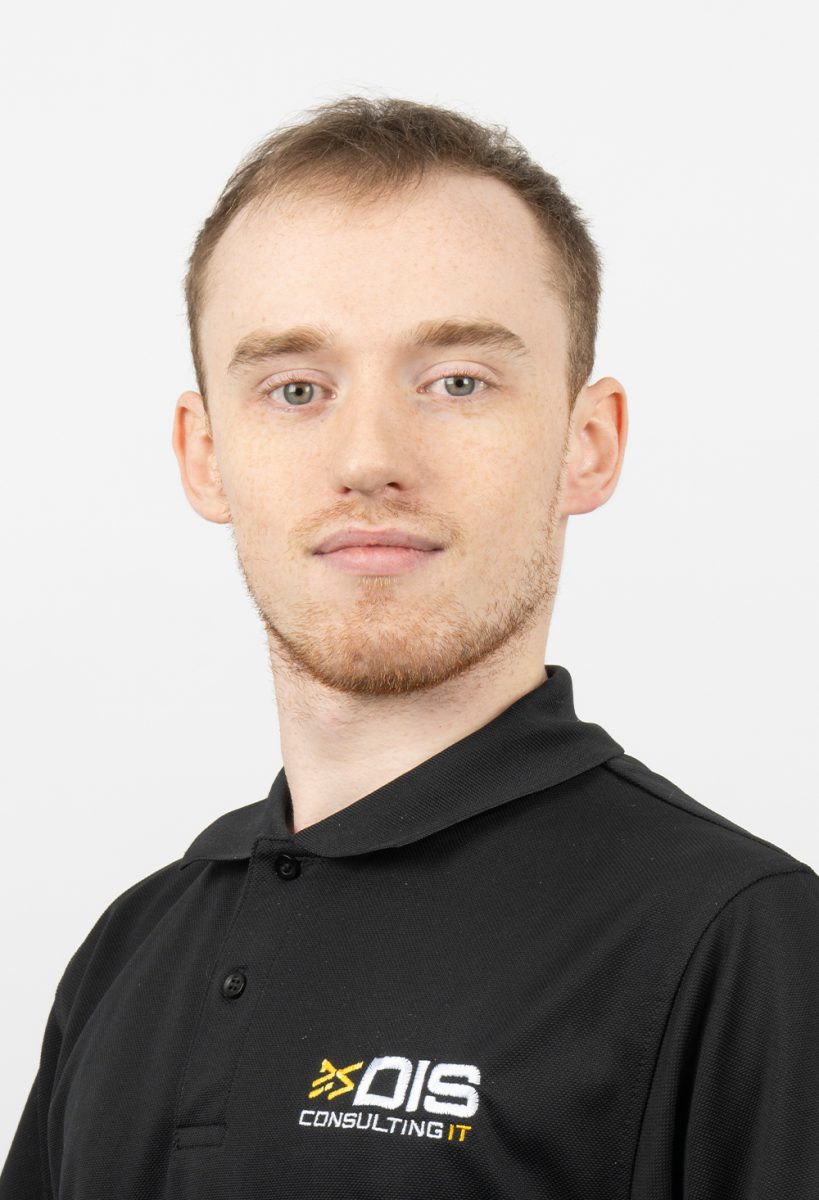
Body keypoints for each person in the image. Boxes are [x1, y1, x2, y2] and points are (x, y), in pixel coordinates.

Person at [2, 95, 817, 1200]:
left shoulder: (741, 942)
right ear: (205, 455)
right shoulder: (130, 950)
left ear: (589, 443)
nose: (371, 457)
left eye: (457, 382)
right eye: (296, 388)